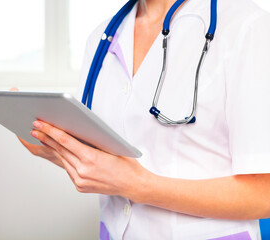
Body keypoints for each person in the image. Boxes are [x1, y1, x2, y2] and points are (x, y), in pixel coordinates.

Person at [17, 0, 270, 239]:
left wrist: (138, 185)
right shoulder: (102, 37)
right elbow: (110, 163)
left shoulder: (246, 26)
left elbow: (264, 195)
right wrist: (61, 149)